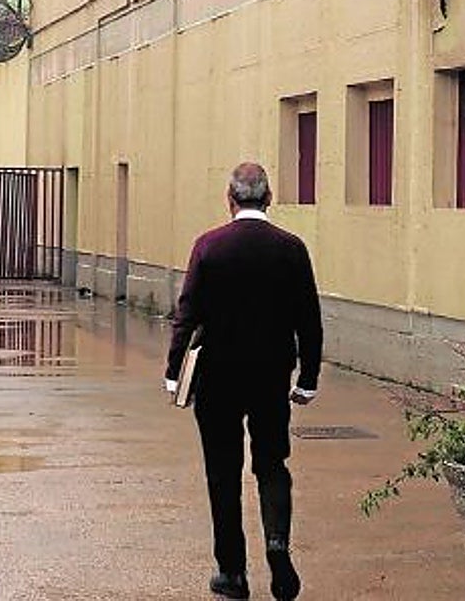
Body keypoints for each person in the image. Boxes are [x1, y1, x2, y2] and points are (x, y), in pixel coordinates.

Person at [164, 162, 323, 601]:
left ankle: (232, 573)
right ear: (269, 198)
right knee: (272, 463)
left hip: (217, 380)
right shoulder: (291, 249)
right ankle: (277, 544)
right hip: (271, 378)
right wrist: (307, 379)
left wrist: (174, 372)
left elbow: (187, 314)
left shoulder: (209, 247)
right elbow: (309, 320)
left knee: (223, 473)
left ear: (229, 199)